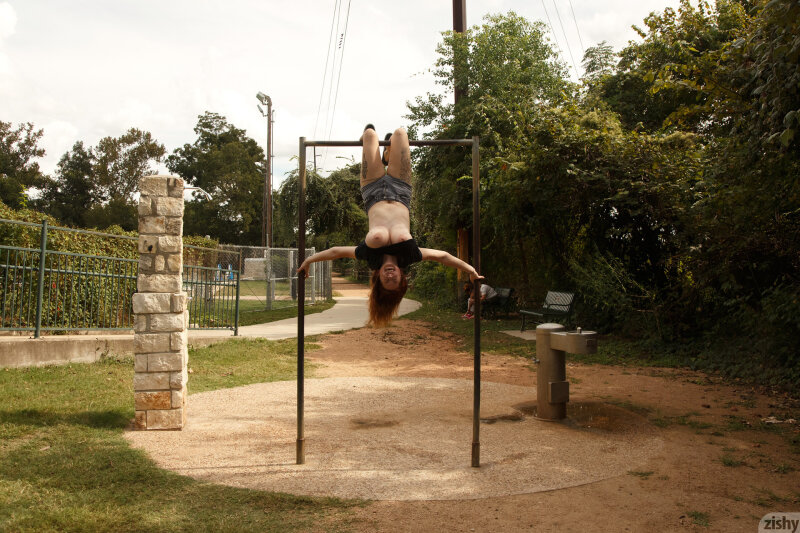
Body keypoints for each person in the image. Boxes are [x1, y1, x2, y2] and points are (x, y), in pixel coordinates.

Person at [297, 124, 483, 327]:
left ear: (378, 279)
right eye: (394, 279)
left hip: (372, 188)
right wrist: (470, 269)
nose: (390, 275)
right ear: (402, 277)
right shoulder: (409, 255)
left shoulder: (370, 256)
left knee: (370, 134)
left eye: (387, 280)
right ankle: (388, 154)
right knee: (400, 133)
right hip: (401, 189)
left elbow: (335, 251)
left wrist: (309, 261)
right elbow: (443, 256)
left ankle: (384, 152)